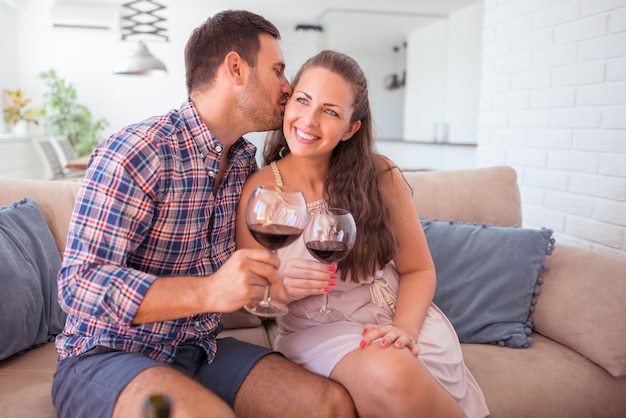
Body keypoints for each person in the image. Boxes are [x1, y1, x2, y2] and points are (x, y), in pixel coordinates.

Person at [52, 11, 356, 418]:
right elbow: (79, 284)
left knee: (328, 405)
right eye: (279, 71)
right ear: (236, 68)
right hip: (107, 356)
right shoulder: (139, 151)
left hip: (200, 350)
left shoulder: (246, 166)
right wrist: (210, 291)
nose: (288, 88)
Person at [236, 50, 490, 418]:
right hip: (319, 330)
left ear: (351, 128)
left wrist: (404, 329)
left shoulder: (380, 176)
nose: (309, 120)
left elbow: (419, 270)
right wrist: (284, 288)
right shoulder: (261, 189)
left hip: (397, 319)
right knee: (394, 373)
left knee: (400, 368)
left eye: (330, 111)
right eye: (303, 101)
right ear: (288, 101)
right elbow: (253, 296)